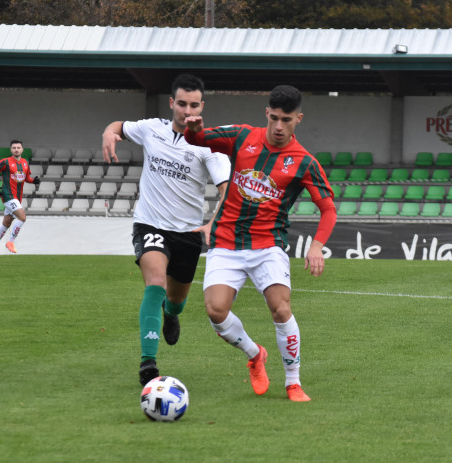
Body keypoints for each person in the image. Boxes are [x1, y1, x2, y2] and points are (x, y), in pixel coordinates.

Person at [184, 84, 337, 402]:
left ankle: (293, 382)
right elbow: (197, 140)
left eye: (287, 120)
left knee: (281, 309)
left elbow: (328, 209)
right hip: (226, 241)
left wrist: (315, 245)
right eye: (275, 118)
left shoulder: (304, 162)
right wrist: (194, 130)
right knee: (215, 310)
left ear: (299, 119)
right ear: (266, 113)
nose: (279, 127)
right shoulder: (241, 136)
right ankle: (255, 355)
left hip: (269, 245)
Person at [101, 73, 230, 387]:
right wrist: (109, 132)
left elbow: (227, 188)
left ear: (202, 105)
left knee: (176, 300)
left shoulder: (210, 147)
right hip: (149, 224)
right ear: (172, 103)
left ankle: (171, 314)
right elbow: (120, 126)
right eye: (182, 103)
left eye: (194, 105)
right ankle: (148, 363)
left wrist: (214, 221)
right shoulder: (151, 129)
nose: (188, 111)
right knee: (154, 281)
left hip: (187, 234)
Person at [0, 139, 39, 255]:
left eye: (18, 148)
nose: (16, 150)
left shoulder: (25, 163)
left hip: (17, 197)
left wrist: (33, 181)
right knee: (22, 218)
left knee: (6, 224)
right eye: (14, 148)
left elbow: (26, 177)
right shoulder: (5, 162)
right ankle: (10, 242)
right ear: (11, 149)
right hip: (8, 195)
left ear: (22, 149)